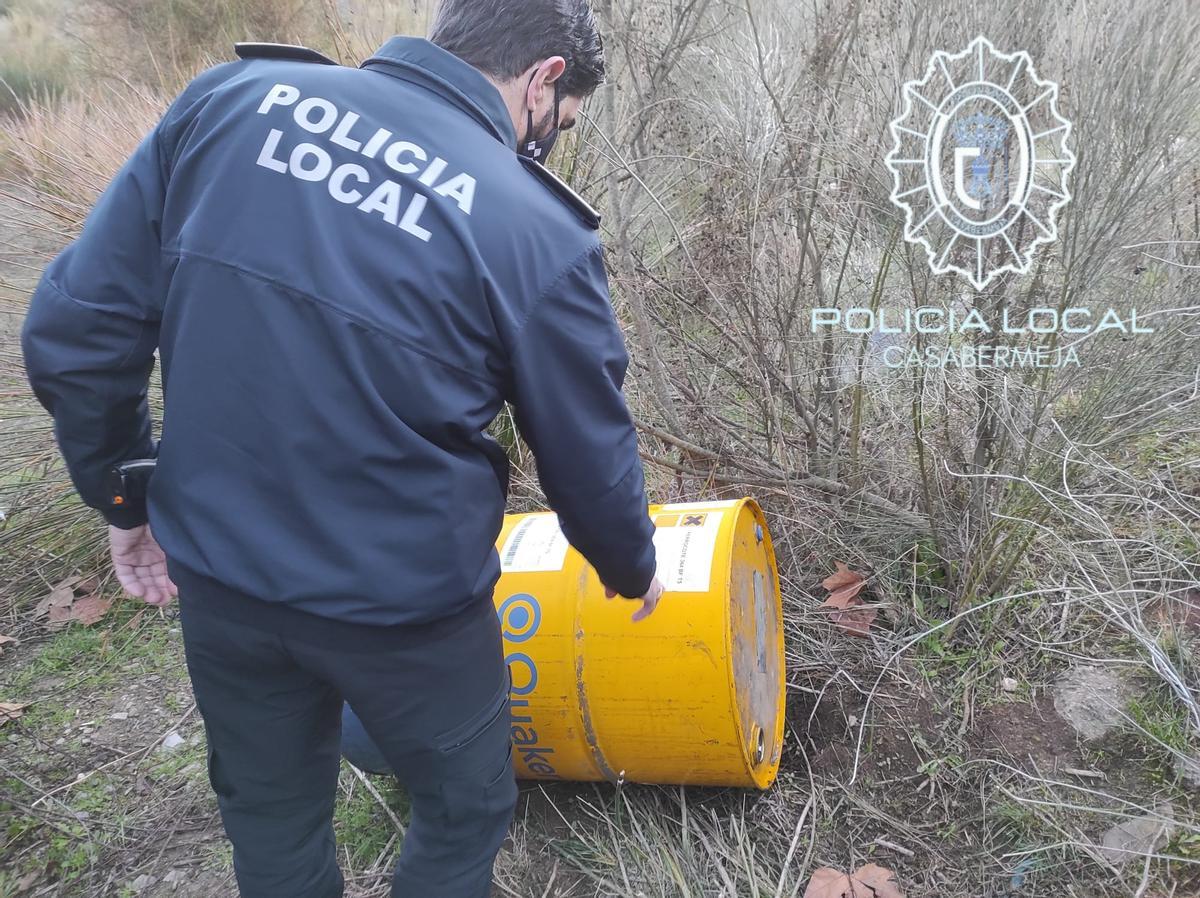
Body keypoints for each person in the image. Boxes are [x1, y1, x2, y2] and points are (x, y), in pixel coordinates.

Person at [20, 0, 665, 894]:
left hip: (222, 577)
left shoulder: (231, 99)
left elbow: (75, 332)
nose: (550, 138)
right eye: (560, 121)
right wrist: (630, 563)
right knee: (463, 806)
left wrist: (126, 495)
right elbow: (585, 448)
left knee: (272, 817)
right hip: (407, 616)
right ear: (544, 78)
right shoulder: (538, 229)